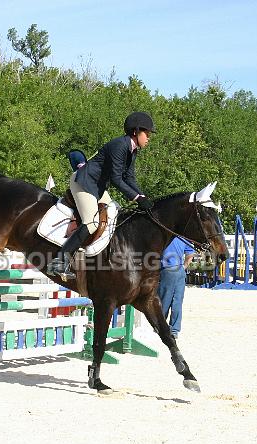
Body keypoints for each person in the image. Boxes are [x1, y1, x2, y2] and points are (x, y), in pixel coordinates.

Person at [46, 111, 156, 279]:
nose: (149, 138)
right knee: (91, 222)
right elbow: (117, 179)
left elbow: (129, 178)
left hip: (97, 186)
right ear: (136, 132)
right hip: (83, 182)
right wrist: (136, 198)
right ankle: (59, 261)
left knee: (114, 212)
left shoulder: (132, 150)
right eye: (147, 133)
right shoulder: (120, 145)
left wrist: (143, 196)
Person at [157, 236, 195, 339]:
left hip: (167, 269)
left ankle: (161, 326)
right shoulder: (183, 237)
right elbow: (190, 254)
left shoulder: (166, 236)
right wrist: (184, 266)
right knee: (177, 301)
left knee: (164, 298)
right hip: (180, 270)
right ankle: (174, 329)